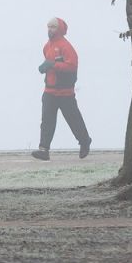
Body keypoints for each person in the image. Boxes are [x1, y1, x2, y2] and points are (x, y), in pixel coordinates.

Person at [32, 17, 92, 161]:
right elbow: (50, 64)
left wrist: (52, 65)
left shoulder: (66, 46)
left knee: (73, 120)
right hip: (49, 92)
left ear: (59, 29)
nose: (50, 30)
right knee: (47, 122)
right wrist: (45, 67)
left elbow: (72, 66)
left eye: (53, 27)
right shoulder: (47, 46)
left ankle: (85, 141)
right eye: (48, 27)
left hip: (65, 93)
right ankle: (44, 150)